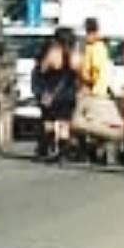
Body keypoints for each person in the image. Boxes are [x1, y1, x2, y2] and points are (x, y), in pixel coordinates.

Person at [31, 29, 79, 163]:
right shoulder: (74, 55)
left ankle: (48, 148)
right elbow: (78, 74)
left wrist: (40, 90)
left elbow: (42, 70)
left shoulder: (53, 53)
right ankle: (62, 153)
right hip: (68, 94)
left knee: (49, 122)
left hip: (51, 93)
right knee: (64, 123)